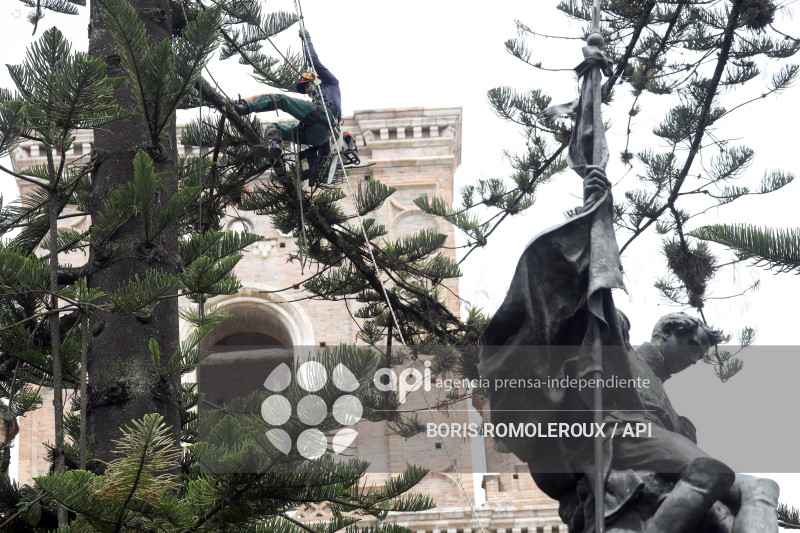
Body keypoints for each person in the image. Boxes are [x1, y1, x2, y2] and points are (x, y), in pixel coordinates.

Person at [231, 28, 341, 161]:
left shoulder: (331, 82)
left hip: (323, 117)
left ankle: (244, 105)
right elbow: (324, 134)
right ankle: (273, 146)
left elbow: (313, 60)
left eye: (307, 85)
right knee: (273, 127)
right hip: (318, 135)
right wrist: (324, 156)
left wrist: (307, 40)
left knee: (281, 100)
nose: (307, 90)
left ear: (315, 79)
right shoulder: (317, 103)